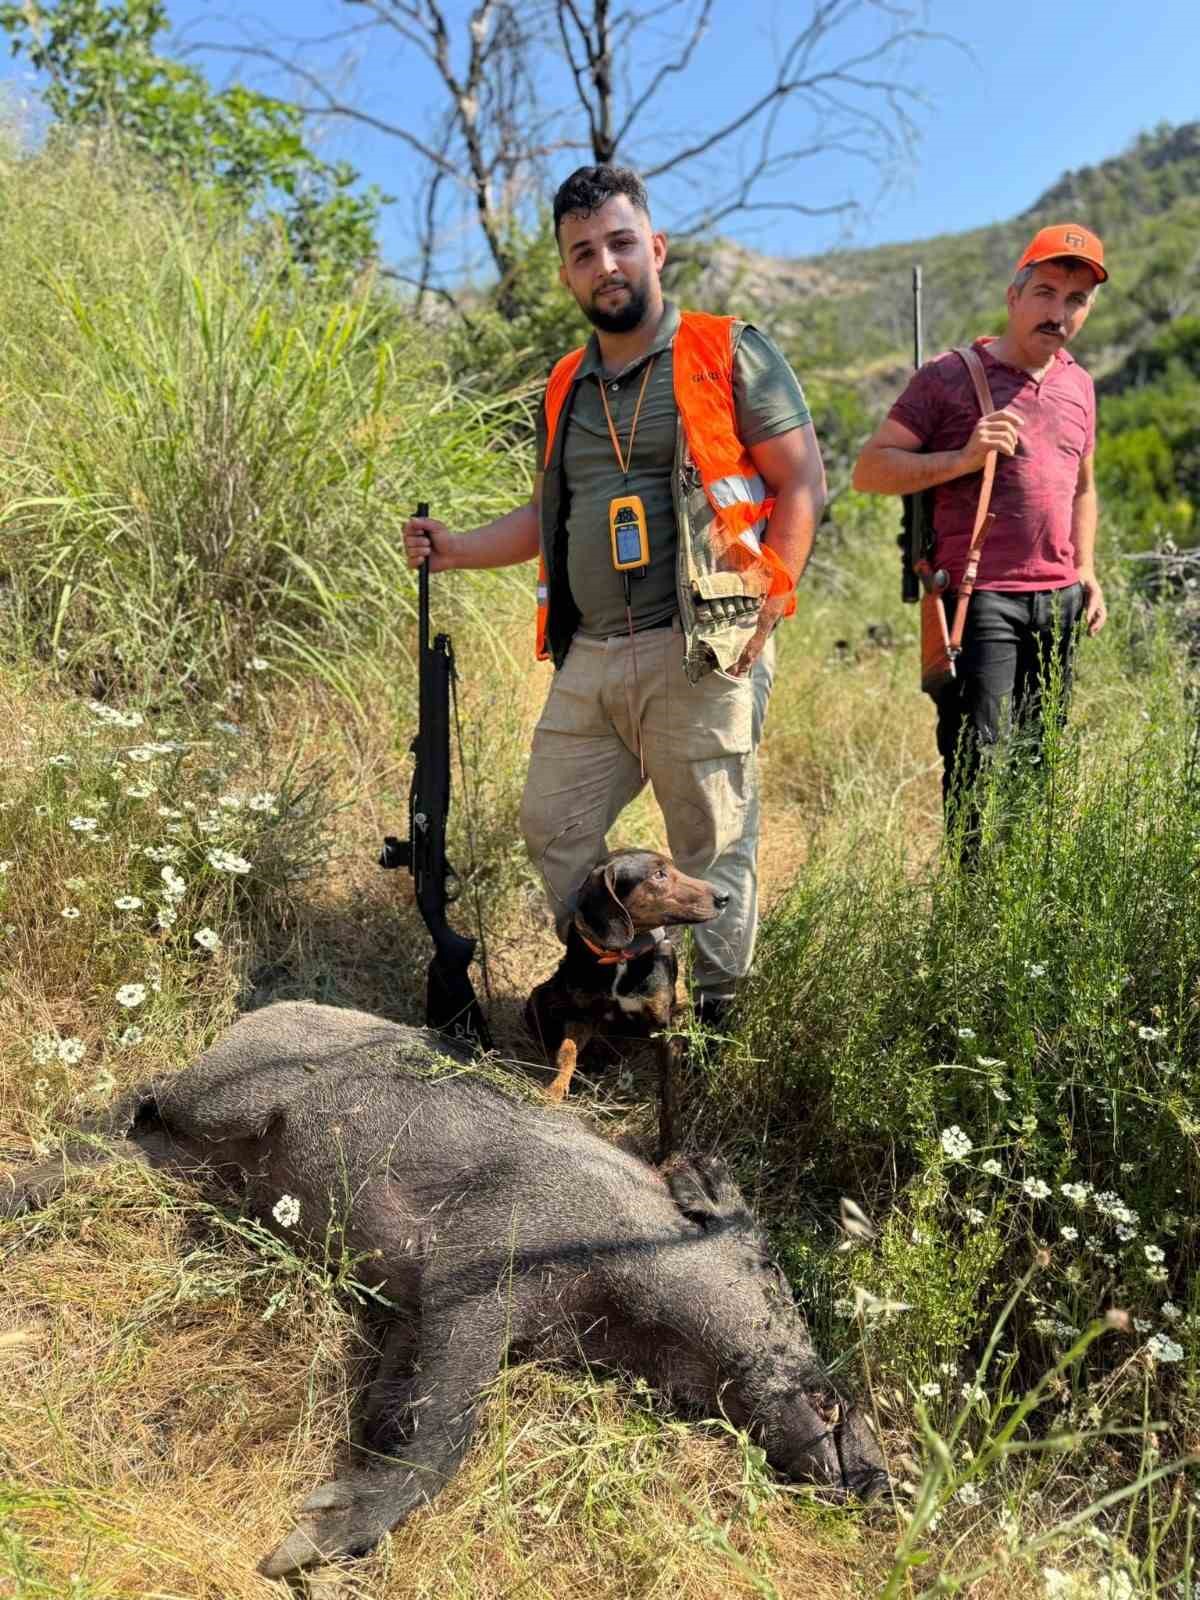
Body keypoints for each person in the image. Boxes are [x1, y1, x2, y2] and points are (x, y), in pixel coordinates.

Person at [403, 164, 825, 1025]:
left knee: (715, 842)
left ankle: (713, 1022)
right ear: (566, 272)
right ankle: (623, 987)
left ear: (656, 248)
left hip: (701, 647)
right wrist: (454, 551)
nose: (607, 264)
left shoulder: (725, 349)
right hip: (592, 650)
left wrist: (770, 602)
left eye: (622, 243)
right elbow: (546, 516)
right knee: (552, 824)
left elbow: (803, 482)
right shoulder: (566, 384)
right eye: (584, 251)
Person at [852, 224, 1109, 828]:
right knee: (977, 758)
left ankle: (1027, 901)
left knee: (1040, 761)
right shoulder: (948, 377)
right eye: (1045, 292)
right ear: (1013, 296)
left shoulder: (1079, 385)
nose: (1059, 313)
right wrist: (962, 460)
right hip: (980, 598)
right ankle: (971, 907)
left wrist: (1087, 570)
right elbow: (870, 469)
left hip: (1059, 597)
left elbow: (1084, 486)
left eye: (1075, 301)